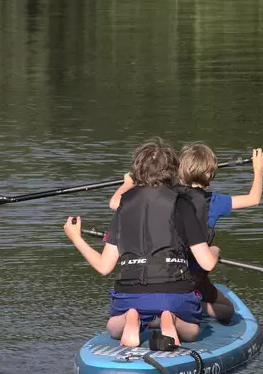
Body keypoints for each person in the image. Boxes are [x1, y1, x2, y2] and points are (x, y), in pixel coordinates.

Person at [64, 139, 218, 350]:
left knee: (112, 327)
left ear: (137, 171)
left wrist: (76, 238)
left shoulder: (124, 205)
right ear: (172, 171)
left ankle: (130, 317)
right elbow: (207, 263)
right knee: (193, 330)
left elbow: (104, 266)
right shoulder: (183, 204)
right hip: (175, 294)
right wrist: (214, 251)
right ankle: (170, 319)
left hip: (131, 295)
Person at [108, 145, 263, 326]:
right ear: (210, 175)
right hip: (193, 274)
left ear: (180, 173)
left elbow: (115, 203)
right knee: (227, 310)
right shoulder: (215, 201)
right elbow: (254, 199)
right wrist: (258, 170)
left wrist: (129, 183)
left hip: (167, 270)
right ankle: (193, 305)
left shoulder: (170, 197)